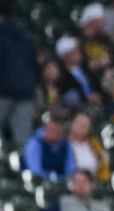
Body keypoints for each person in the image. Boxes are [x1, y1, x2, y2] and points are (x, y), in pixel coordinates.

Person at [0, 0, 38, 149]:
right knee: (23, 142)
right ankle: (21, 170)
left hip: (3, 92)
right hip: (25, 93)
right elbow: (35, 67)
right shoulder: (25, 36)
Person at [23, 119, 76, 183]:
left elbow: (71, 168)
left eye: (56, 131)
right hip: (38, 181)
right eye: (49, 130)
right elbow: (34, 169)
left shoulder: (66, 145)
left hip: (61, 183)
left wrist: (65, 180)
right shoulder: (35, 143)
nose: (52, 133)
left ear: (61, 133)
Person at [67, 112, 110, 182]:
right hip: (69, 181)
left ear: (89, 128)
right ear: (72, 123)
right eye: (78, 123)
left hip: (93, 183)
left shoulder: (95, 144)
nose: (80, 127)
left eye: (84, 125)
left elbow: (104, 165)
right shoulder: (62, 143)